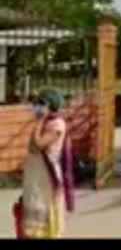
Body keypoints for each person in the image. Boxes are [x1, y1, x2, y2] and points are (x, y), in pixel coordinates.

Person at [17, 88, 75, 239]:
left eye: (39, 104)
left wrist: (39, 121)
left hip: (47, 178)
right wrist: (39, 122)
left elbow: (38, 144)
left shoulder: (57, 124)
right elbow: (31, 148)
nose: (35, 107)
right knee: (33, 219)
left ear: (49, 105)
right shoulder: (44, 123)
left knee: (46, 222)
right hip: (36, 176)